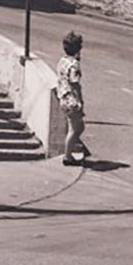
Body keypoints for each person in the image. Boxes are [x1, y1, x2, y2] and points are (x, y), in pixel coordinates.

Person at [57, 31, 90, 165]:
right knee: (76, 129)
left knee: (77, 127)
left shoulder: (63, 61)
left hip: (63, 97)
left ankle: (69, 153)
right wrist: (80, 100)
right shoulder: (74, 65)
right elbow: (75, 83)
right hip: (72, 100)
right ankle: (67, 156)